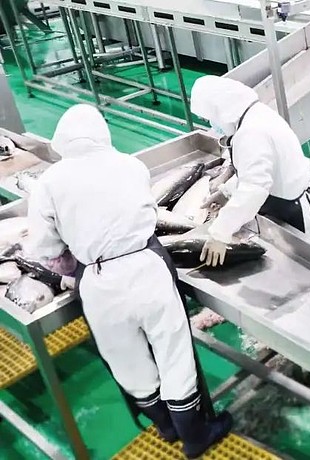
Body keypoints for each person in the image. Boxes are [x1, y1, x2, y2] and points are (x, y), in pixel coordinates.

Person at [24, 104, 232, 459]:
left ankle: (165, 426)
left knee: (127, 360)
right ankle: (195, 435)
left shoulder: (48, 184)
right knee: (173, 352)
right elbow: (148, 213)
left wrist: (74, 264)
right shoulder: (131, 166)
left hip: (98, 280)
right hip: (146, 268)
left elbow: (45, 250)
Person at [189, 75, 310, 267]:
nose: (212, 124)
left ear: (220, 110)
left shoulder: (251, 133)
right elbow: (260, 172)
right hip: (286, 201)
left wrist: (220, 234)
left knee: (308, 270)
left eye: (210, 118)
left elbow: (254, 188)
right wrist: (226, 192)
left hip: (293, 214)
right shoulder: (256, 115)